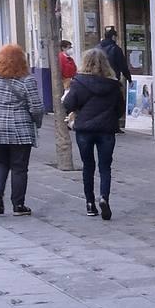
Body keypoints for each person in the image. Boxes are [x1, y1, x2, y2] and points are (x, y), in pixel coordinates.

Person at [0, 43, 44, 217]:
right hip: (20, 130)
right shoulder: (27, 80)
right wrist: (37, 122)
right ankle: (18, 205)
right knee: (19, 167)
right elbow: (36, 107)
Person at [61, 48, 122, 220]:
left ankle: (89, 204)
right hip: (106, 130)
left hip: (85, 130)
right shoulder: (114, 85)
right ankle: (104, 197)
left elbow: (68, 104)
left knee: (88, 166)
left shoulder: (79, 83)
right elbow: (119, 111)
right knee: (105, 167)